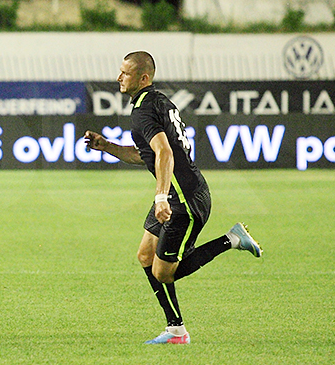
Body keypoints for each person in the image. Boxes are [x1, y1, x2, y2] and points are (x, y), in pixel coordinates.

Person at [83, 51, 262, 345]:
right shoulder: (157, 102)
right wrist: (108, 146)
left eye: (125, 74)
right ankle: (175, 329)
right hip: (177, 195)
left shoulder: (144, 110)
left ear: (143, 78)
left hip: (185, 201)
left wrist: (161, 197)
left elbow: (165, 153)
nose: (118, 78)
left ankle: (231, 239)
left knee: (164, 272)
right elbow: (149, 155)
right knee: (145, 256)